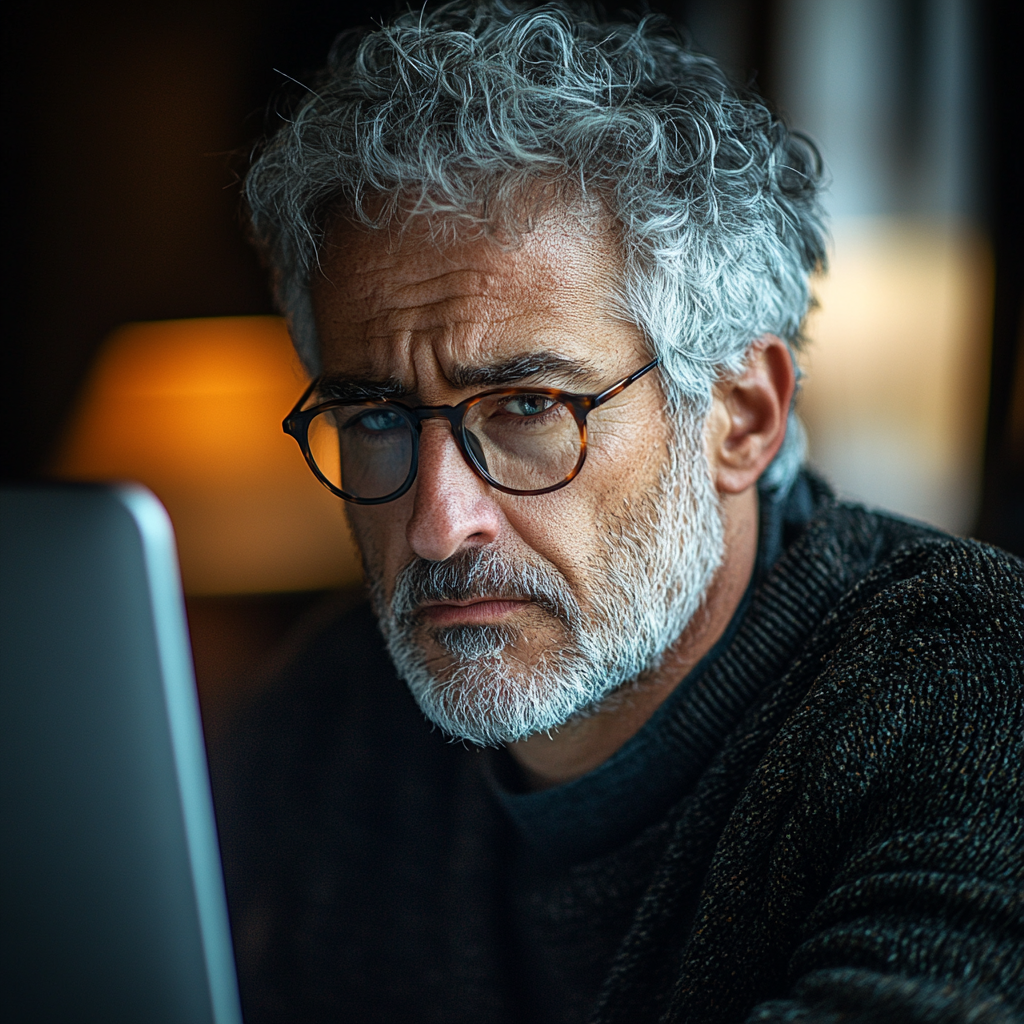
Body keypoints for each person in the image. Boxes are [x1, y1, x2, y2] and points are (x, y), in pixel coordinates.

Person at [214, 4, 1024, 1022]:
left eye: (526, 409)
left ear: (741, 413)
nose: (435, 524)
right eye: (374, 416)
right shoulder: (325, 717)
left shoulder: (978, 688)